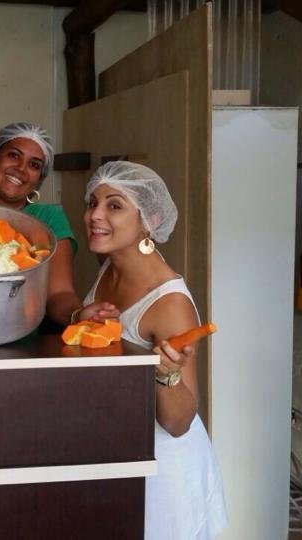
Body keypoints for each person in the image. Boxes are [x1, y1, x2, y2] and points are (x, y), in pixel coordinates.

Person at [76, 161, 227, 539]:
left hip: (162, 471)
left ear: (150, 221)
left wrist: (167, 375)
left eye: (114, 205)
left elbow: (179, 423)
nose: (95, 215)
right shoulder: (110, 265)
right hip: (123, 448)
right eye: (93, 202)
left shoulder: (169, 303)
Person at [0, 122, 116, 327]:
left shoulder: (48, 218)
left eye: (34, 165)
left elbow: (59, 293)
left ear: (38, 180)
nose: (21, 169)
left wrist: (78, 316)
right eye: (14, 155)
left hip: (23, 339)